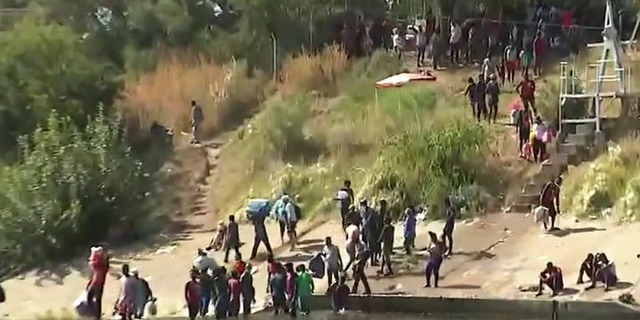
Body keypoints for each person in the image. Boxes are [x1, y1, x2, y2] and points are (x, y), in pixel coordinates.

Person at [87, 245, 109, 320]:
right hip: (98, 283)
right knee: (97, 300)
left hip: (97, 283)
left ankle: (96, 315)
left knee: (91, 298)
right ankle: (97, 316)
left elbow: (93, 264)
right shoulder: (103, 264)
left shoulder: (100, 264)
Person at [360, 199, 378, 265]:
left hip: (371, 230)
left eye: (363, 204)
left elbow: (372, 220)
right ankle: (365, 261)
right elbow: (361, 220)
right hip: (364, 230)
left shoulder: (371, 211)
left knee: (371, 246)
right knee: (364, 246)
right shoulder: (361, 211)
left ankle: (372, 261)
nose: (362, 206)